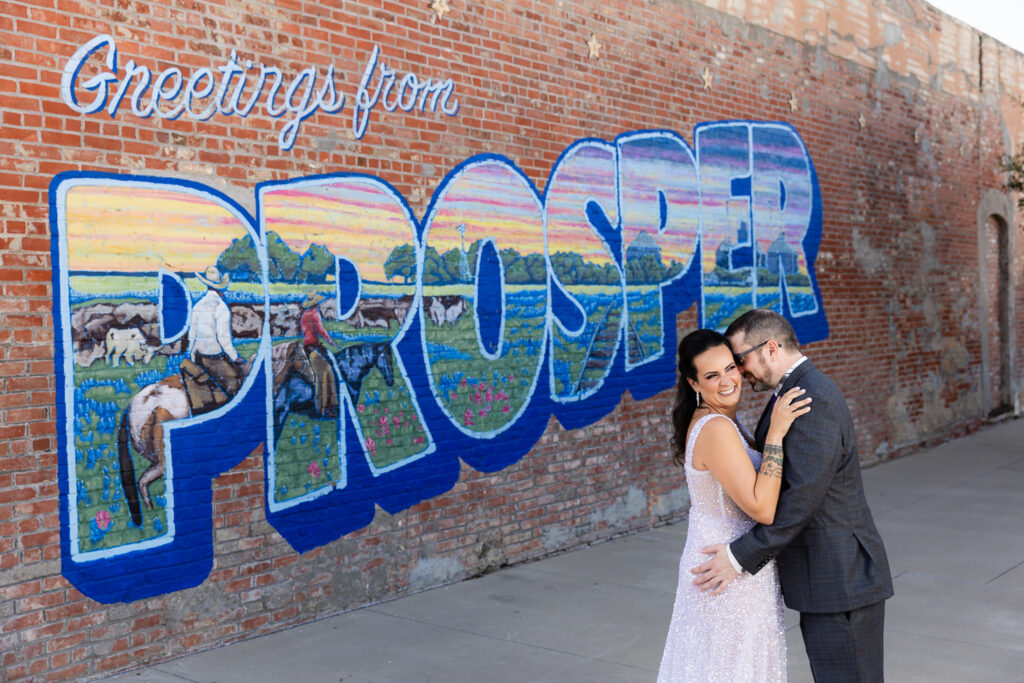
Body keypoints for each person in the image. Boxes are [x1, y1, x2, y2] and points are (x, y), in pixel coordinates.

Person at [693, 309, 894, 682]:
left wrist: (739, 557)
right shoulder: (794, 391)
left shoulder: (810, 399)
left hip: (840, 580)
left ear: (770, 348)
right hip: (830, 578)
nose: (740, 371)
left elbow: (800, 500)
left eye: (741, 360)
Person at [657, 329, 811, 682]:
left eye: (730, 367)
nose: (728, 381)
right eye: (712, 375)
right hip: (726, 572)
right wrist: (775, 435)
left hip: (735, 565)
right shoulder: (715, 428)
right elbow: (762, 509)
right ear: (694, 383)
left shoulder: (726, 419)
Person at [185, 266, 250, 412]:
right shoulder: (221, 307)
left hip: (199, 357)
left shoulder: (198, 305)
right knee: (237, 384)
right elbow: (223, 339)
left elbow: (192, 334)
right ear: (221, 289)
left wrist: (191, 355)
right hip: (214, 359)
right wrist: (235, 357)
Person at [300, 291, 341, 418]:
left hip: (308, 347)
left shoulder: (304, 315)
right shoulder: (314, 314)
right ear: (316, 303)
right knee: (325, 372)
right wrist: (330, 341)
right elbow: (321, 330)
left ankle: (330, 405)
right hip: (313, 348)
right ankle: (324, 407)